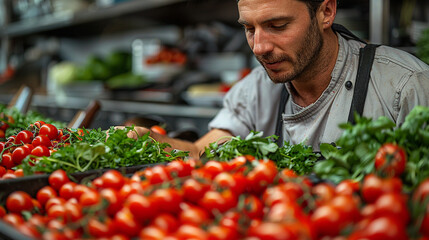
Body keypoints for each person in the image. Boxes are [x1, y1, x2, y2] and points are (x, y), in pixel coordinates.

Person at [119, 0, 429, 159]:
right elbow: (202, 153)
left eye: (278, 25)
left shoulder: (406, 86)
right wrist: (155, 142)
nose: (259, 47)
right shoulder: (255, 89)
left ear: (326, 11)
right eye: (249, 28)